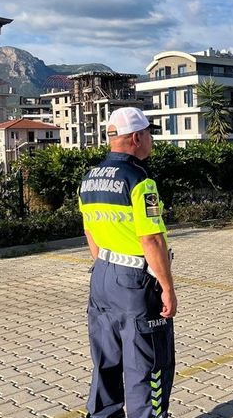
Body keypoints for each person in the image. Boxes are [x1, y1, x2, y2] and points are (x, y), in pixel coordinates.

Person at [78, 107, 176, 418]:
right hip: (135, 281)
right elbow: (152, 239)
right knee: (148, 362)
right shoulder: (139, 180)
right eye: (149, 134)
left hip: (102, 275)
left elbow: (89, 231)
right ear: (136, 138)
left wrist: (107, 266)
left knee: (106, 359)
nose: (151, 140)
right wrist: (167, 287)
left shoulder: (89, 178)